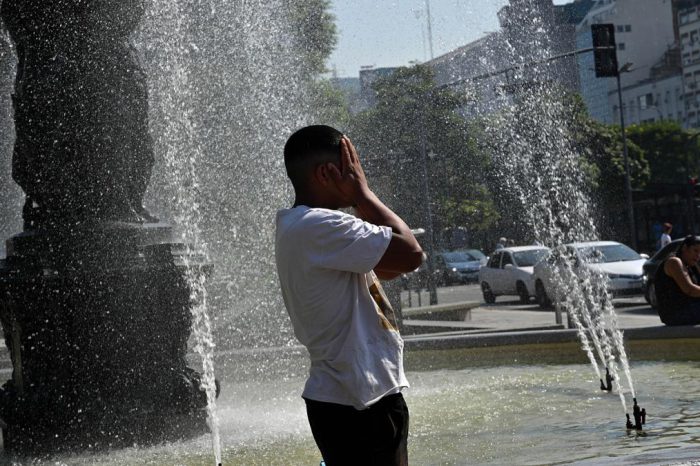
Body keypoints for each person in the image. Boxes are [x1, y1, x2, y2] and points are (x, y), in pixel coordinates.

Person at [275, 125, 424, 465]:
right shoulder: (319, 226)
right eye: (352, 167)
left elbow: (389, 267)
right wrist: (364, 195)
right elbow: (412, 254)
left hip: (354, 396)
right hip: (359, 401)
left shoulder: (305, 227)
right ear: (328, 173)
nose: (358, 174)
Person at [654, 235, 700, 326]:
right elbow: (690, 290)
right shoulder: (674, 262)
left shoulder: (691, 265)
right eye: (695, 251)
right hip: (676, 313)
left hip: (689, 309)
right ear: (684, 248)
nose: (698, 255)